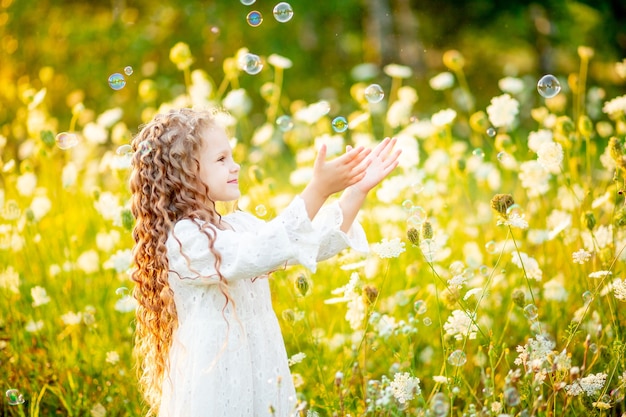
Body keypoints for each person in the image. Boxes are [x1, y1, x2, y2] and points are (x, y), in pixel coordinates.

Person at [129, 107, 401, 417]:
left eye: (232, 156)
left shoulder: (239, 227)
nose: (235, 166)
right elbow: (262, 249)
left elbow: (311, 242)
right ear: (182, 173)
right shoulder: (185, 240)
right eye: (221, 160)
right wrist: (318, 189)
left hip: (260, 368)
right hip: (217, 378)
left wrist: (356, 190)